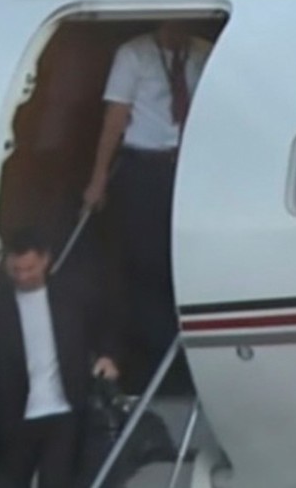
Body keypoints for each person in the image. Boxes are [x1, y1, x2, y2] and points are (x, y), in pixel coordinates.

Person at [82, 21, 212, 379]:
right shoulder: (133, 55)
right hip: (145, 167)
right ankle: (155, 360)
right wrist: (98, 178)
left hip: (189, 166)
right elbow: (116, 117)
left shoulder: (203, 53)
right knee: (146, 262)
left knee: (185, 260)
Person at [0, 228, 120, 488]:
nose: (23, 276)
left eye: (30, 269)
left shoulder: (73, 298)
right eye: (16, 270)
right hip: (16, 415)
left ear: (45, 260)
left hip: (64, 410)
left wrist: (107, 356)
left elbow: (104, 328)